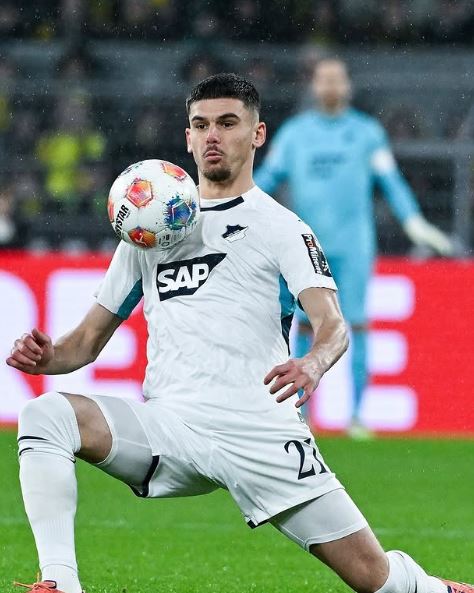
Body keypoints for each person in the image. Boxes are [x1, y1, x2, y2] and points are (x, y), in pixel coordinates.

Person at [6, 73, 470, 593]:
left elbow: (333, 325)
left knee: (375, 580)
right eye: (201, 125)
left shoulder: (282, 227)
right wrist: (47, 357)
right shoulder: (148, 229)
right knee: (46, 416)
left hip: (259, 432)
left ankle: (431, 588)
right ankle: (60, 583)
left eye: (227, 123)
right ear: (187, 138)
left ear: (257, 134)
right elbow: (85, 343)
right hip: (172, 427)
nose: (213, 136)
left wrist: (313, 362)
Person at [255, 58, 453, 438]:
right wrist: (228, 204)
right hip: (306, 248)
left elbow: (391, 180)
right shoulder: (295, 134)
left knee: (357, 324)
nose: (330, 86)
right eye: (324, 79)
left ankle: (358, 416)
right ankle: (301, 415)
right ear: (314, 86)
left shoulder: (366, 133)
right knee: (305, 325)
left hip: (354, 247)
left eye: (337, 79)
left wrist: (413, 220)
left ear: (347, 85)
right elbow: (266, 178)